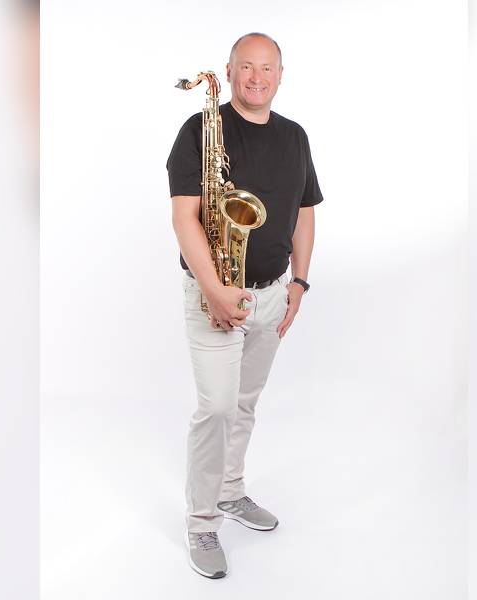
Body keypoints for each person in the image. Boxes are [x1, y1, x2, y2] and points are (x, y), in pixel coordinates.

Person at [167, 32, 322, 579]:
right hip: (214, 295)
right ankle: (201, 521)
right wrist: (214, 289)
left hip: (272, 294)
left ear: (281, 75)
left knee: (245, 404)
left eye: (267, 68)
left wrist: (299, 283)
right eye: (247, 67)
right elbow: (184, 216)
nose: (257, 78)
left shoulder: (295, 136)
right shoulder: (200, 129)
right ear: (229, 72)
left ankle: (230, 491)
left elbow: (305, 211)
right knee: (216, 408)